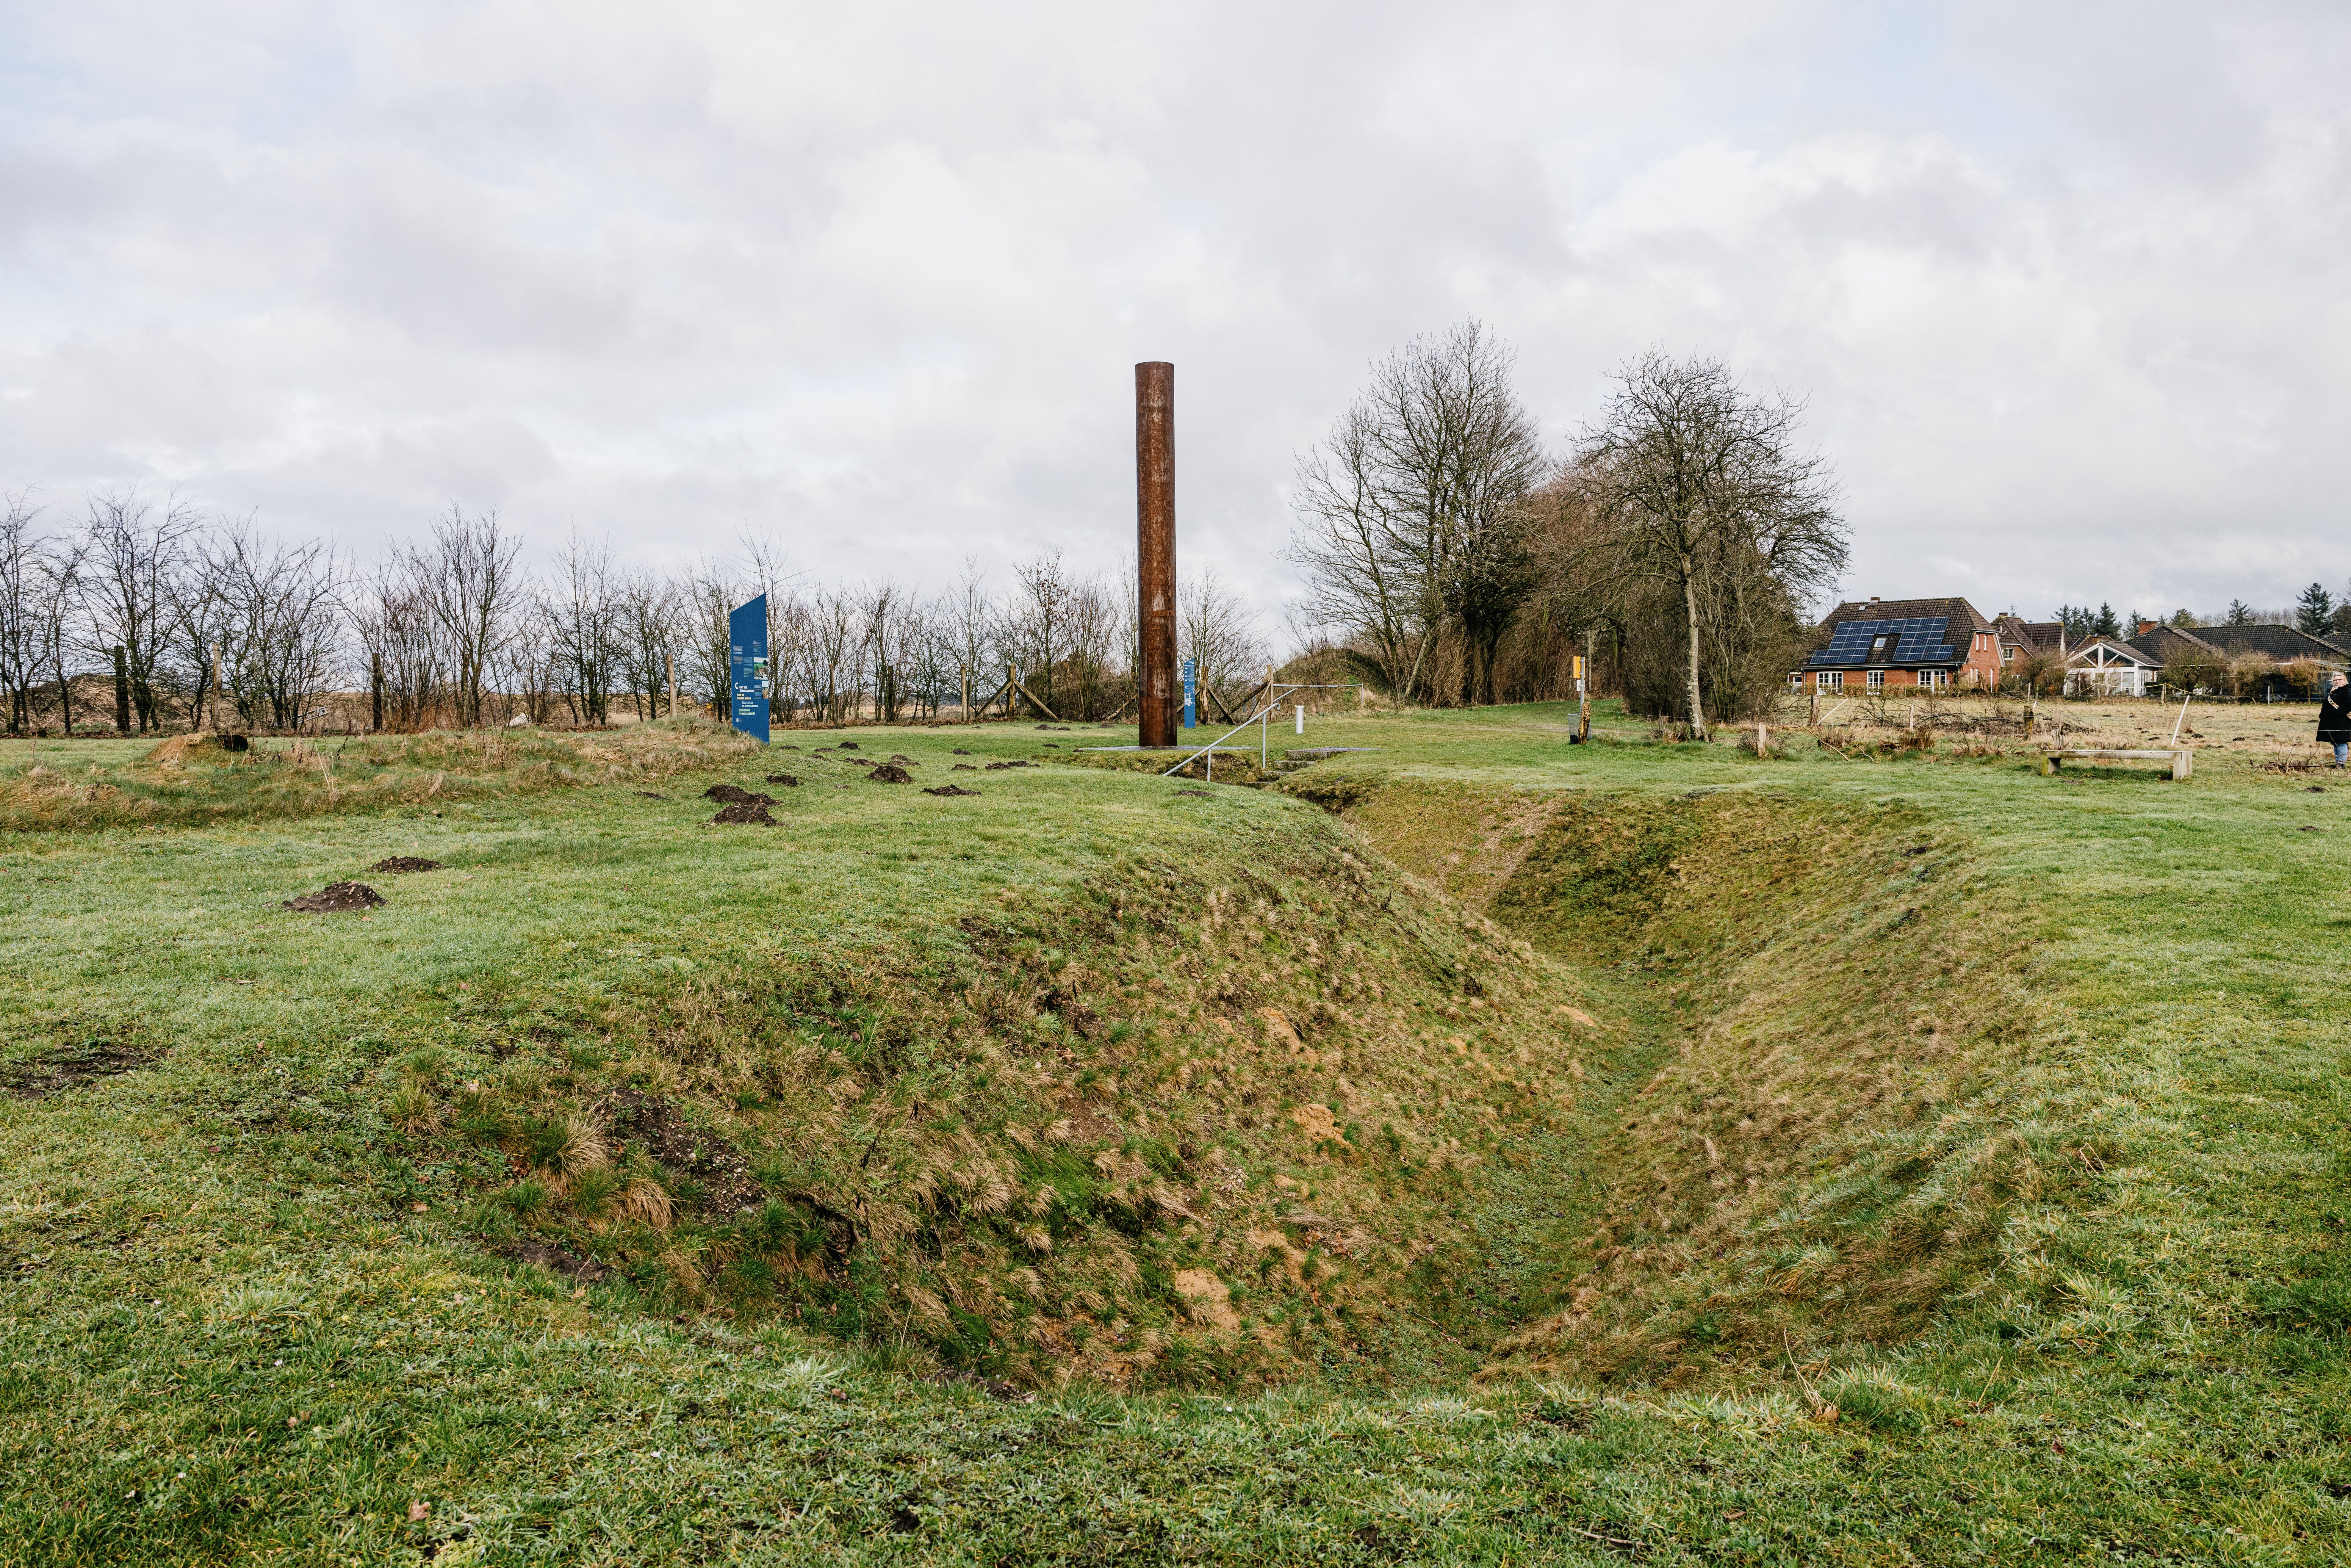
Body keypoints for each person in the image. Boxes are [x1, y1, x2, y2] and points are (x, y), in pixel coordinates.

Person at [2321, 672, 2351, 766]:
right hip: (2333, 721)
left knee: (2341, 742)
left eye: (2340, 679)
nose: (2338, 681)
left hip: (2343, 721)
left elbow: (2348, 705)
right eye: (2336, 680)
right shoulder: (2334, 691)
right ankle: (2338, 762)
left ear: (2344, 680)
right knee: (2335, 742)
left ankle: (2341, 764)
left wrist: (2337, 713)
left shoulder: (2348, 691)